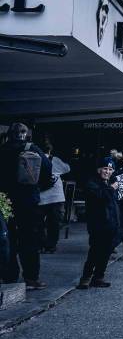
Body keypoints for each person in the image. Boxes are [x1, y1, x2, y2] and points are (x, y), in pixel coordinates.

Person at [1, 123, 52, 290]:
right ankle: (31, 278)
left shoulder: (2, 150)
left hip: (5, 201)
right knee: (30, 239)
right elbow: (47, 170)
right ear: (26, 135)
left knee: (8, 238)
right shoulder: (33, 148)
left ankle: (9, 275)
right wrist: (37, 187)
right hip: (28, 201)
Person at [77, 163, 121, 289]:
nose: (107, 172)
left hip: (111, 223)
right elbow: (100, 197)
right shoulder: (92, 183)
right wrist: (112, 188)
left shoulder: (111, 183)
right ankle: (85, 277)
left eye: (110, 169)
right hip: (98, 223)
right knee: (95, 251)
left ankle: (98, 277)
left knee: (106, 252)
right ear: (99, 170)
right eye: (105, 169)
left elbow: (114, 203)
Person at [39, 141, 68, 253]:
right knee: (54, 223)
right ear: (50, 150)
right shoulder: (54, 159)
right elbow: (67, 168)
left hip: (40, 196)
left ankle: (41, 244)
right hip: (56, 197)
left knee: (39, 223)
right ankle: (51, 246)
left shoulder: (35, 159)